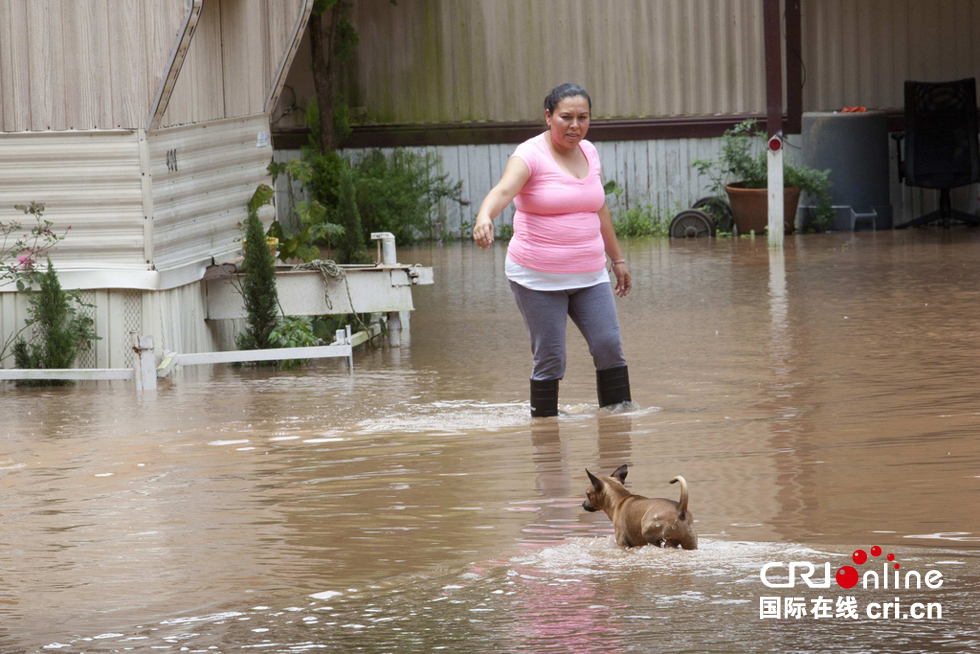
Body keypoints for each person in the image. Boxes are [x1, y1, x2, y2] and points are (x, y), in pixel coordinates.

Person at [473, 83, 632, 417]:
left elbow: (599, 208)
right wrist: (485, 216)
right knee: (551, 358)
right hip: (537, 278)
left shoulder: (589, 152)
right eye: (566, 117)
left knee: (609, 347)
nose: (575, 125)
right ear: (548, 117)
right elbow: (502, 191)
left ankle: (619, 429)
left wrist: (617, 260)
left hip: (590, 275)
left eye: (583, 117)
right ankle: (545, 435)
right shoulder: (529, 155)